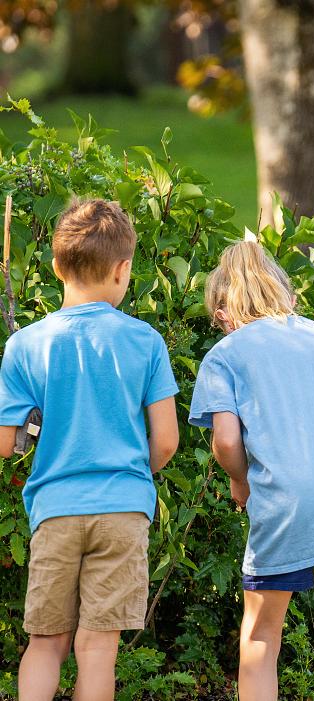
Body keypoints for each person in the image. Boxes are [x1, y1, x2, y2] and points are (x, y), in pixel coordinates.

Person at [188, 241, 314, 701]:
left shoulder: (226, 354)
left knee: (261, 634)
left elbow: (226, 441)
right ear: (286, 294)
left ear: (223, 312)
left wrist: (240, 480)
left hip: (288, 499)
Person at [0, 199, 179, 701]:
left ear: (57, 267)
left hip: (54, 509)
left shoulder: (26, 344)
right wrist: (133, 474)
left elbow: (6, 443)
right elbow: (166, 440)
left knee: (45, 642)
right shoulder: (145, 341)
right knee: (98, 648)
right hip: (123, 507)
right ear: (123, 270)